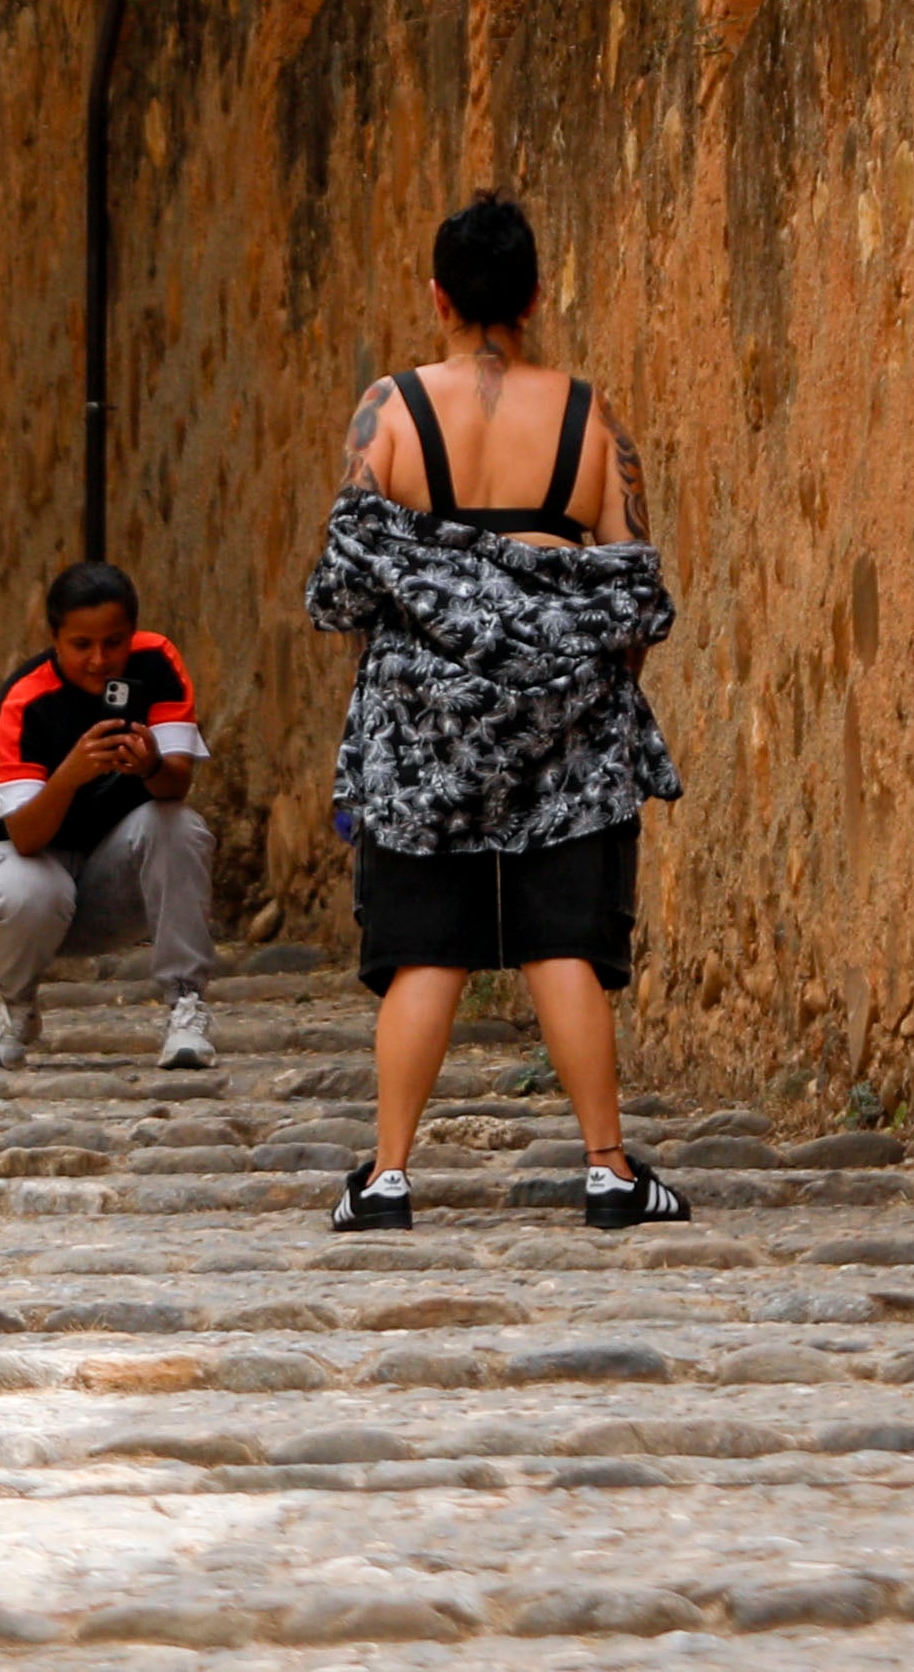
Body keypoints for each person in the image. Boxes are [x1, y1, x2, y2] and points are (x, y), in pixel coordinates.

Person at [302, 191, 690, 1232]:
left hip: (419, 729)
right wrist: (562, 679)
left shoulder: (387, 411)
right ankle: (609, 1173)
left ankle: (385, 1179)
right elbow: (634, 590)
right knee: (563, 939)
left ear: (437, 295)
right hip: (567, 720)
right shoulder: (589, 415)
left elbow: (344, 584)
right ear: (534, 294)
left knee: (425, 948)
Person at [0, 561, 219, 1072]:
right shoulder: (25, 700)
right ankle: (14, 1004)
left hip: (99, 885)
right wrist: (69, 775)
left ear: (132, 634)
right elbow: (25, 837)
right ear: (54, 639)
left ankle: (185, 1002)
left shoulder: (156, 665)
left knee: (178, 823)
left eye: (114, 642)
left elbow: (176, 784)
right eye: (81, 645)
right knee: (34, 886)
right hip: (6, 876)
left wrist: (151, 764)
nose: (99, 660)